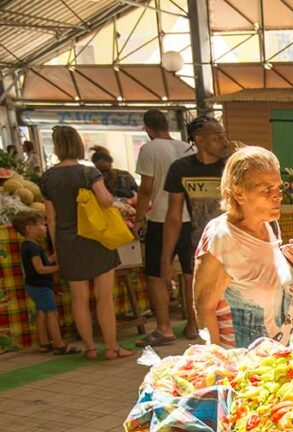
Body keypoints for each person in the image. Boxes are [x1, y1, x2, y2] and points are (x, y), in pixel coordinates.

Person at [193, 146, 293, 348]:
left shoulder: (269, 225)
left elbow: (255, 266)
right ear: (238, 193)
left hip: (275, 361)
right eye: (266, 189)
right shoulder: (222, 238)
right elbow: (204, 307)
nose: (277, 196)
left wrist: (288, 257)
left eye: (278, 187)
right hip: (242, 366)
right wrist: (219, 364)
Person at [39, 125, 133, 360]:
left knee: (78, 298)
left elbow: (51, 217)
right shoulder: (88, 173)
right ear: (78, 144)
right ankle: (112, 348)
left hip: (66, 239)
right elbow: (104, 200)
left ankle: (90, 347)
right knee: (104, 297)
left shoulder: (47, 177)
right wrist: (119, 204)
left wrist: (57, 247)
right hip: (96, 237)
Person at [134, 109, 195, 346]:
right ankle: (192, 324)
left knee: (157, 275)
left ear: (147, 128)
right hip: (190, 219)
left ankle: (164, 328)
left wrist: (139, 218)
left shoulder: (149, 149)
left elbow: (146, 188)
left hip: (161, 218)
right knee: (190, 274)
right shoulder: (187, 147)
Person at [162, 115, 231, 294]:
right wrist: (166, 259)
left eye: (224, 136)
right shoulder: (181, 169)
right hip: (199, 245)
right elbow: (173, 217)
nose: (225, 142)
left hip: (233, 247)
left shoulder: (232, 167)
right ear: (199, 139)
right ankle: (194, 323)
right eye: (217, 138)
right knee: (199, 299)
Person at [13, 211, 72, 355]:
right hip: (41, 286)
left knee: (41, 313)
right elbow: (40, 269)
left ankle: (44, 343)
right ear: (29, 228)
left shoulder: (29, 245)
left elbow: (39, 263)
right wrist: (58, 268)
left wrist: (51, 258)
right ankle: (59, 344)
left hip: (32, 285)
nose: (45, 227)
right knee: (52, 313)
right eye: (41, 225)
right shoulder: (32, 247)